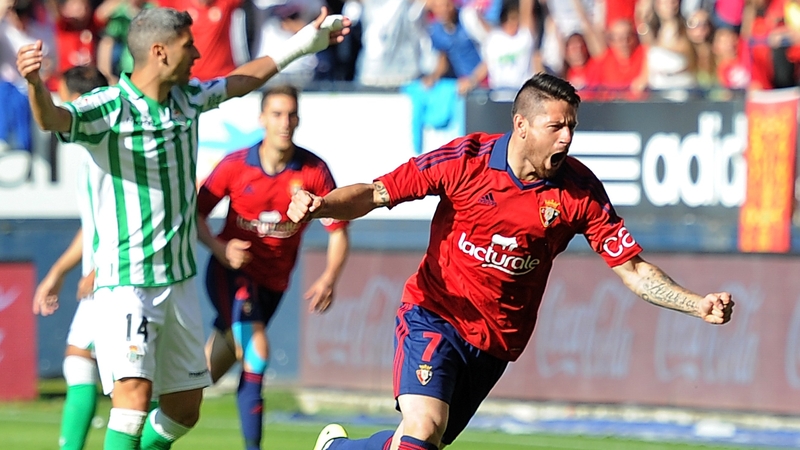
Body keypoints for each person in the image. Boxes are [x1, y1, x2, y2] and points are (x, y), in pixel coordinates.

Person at [287, 73, 735, 450]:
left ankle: (338, 448)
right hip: (435, 314)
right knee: (424, 428)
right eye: (556, 126)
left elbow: (633, 270)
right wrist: (322, 206)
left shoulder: (579, 191)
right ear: (521, 125)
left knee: (419, 439)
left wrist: (695, 304)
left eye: (572, 127)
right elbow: (375, 192)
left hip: (495, 344)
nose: (567, 137)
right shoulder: (465, 160)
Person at [17, 7, 349, 450]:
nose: (197, 53)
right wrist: (36, 85)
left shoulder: (187, 97)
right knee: (132, 402)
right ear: (160, 52)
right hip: (128, 283)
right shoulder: (109, 109)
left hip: (180, 283)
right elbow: (53, 120)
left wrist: (304, 42)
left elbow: (244, 79)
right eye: (188, 45)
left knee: (184, 409)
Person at [197, 83, 350, 450]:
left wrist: (330, 277)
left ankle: (161, 415)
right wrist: (220, 248)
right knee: (257, 352)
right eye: (277, 114)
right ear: (262, 118)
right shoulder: (235, 166)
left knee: (203, 379)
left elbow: (339, 232)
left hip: (274, 285)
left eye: (291, 114)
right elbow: (196, 215)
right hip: (231, 273)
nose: (285, 122)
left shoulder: (314, 171)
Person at [31, 65, 109, 450]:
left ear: (79, 102)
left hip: (116, 276)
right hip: (106, 274)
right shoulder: (91, 153)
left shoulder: (105, 152)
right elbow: (93, 225)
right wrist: (59, 271)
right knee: (88, 362)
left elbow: (125, 216)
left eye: (64, 99)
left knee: (89, 363)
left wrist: (99, 268)